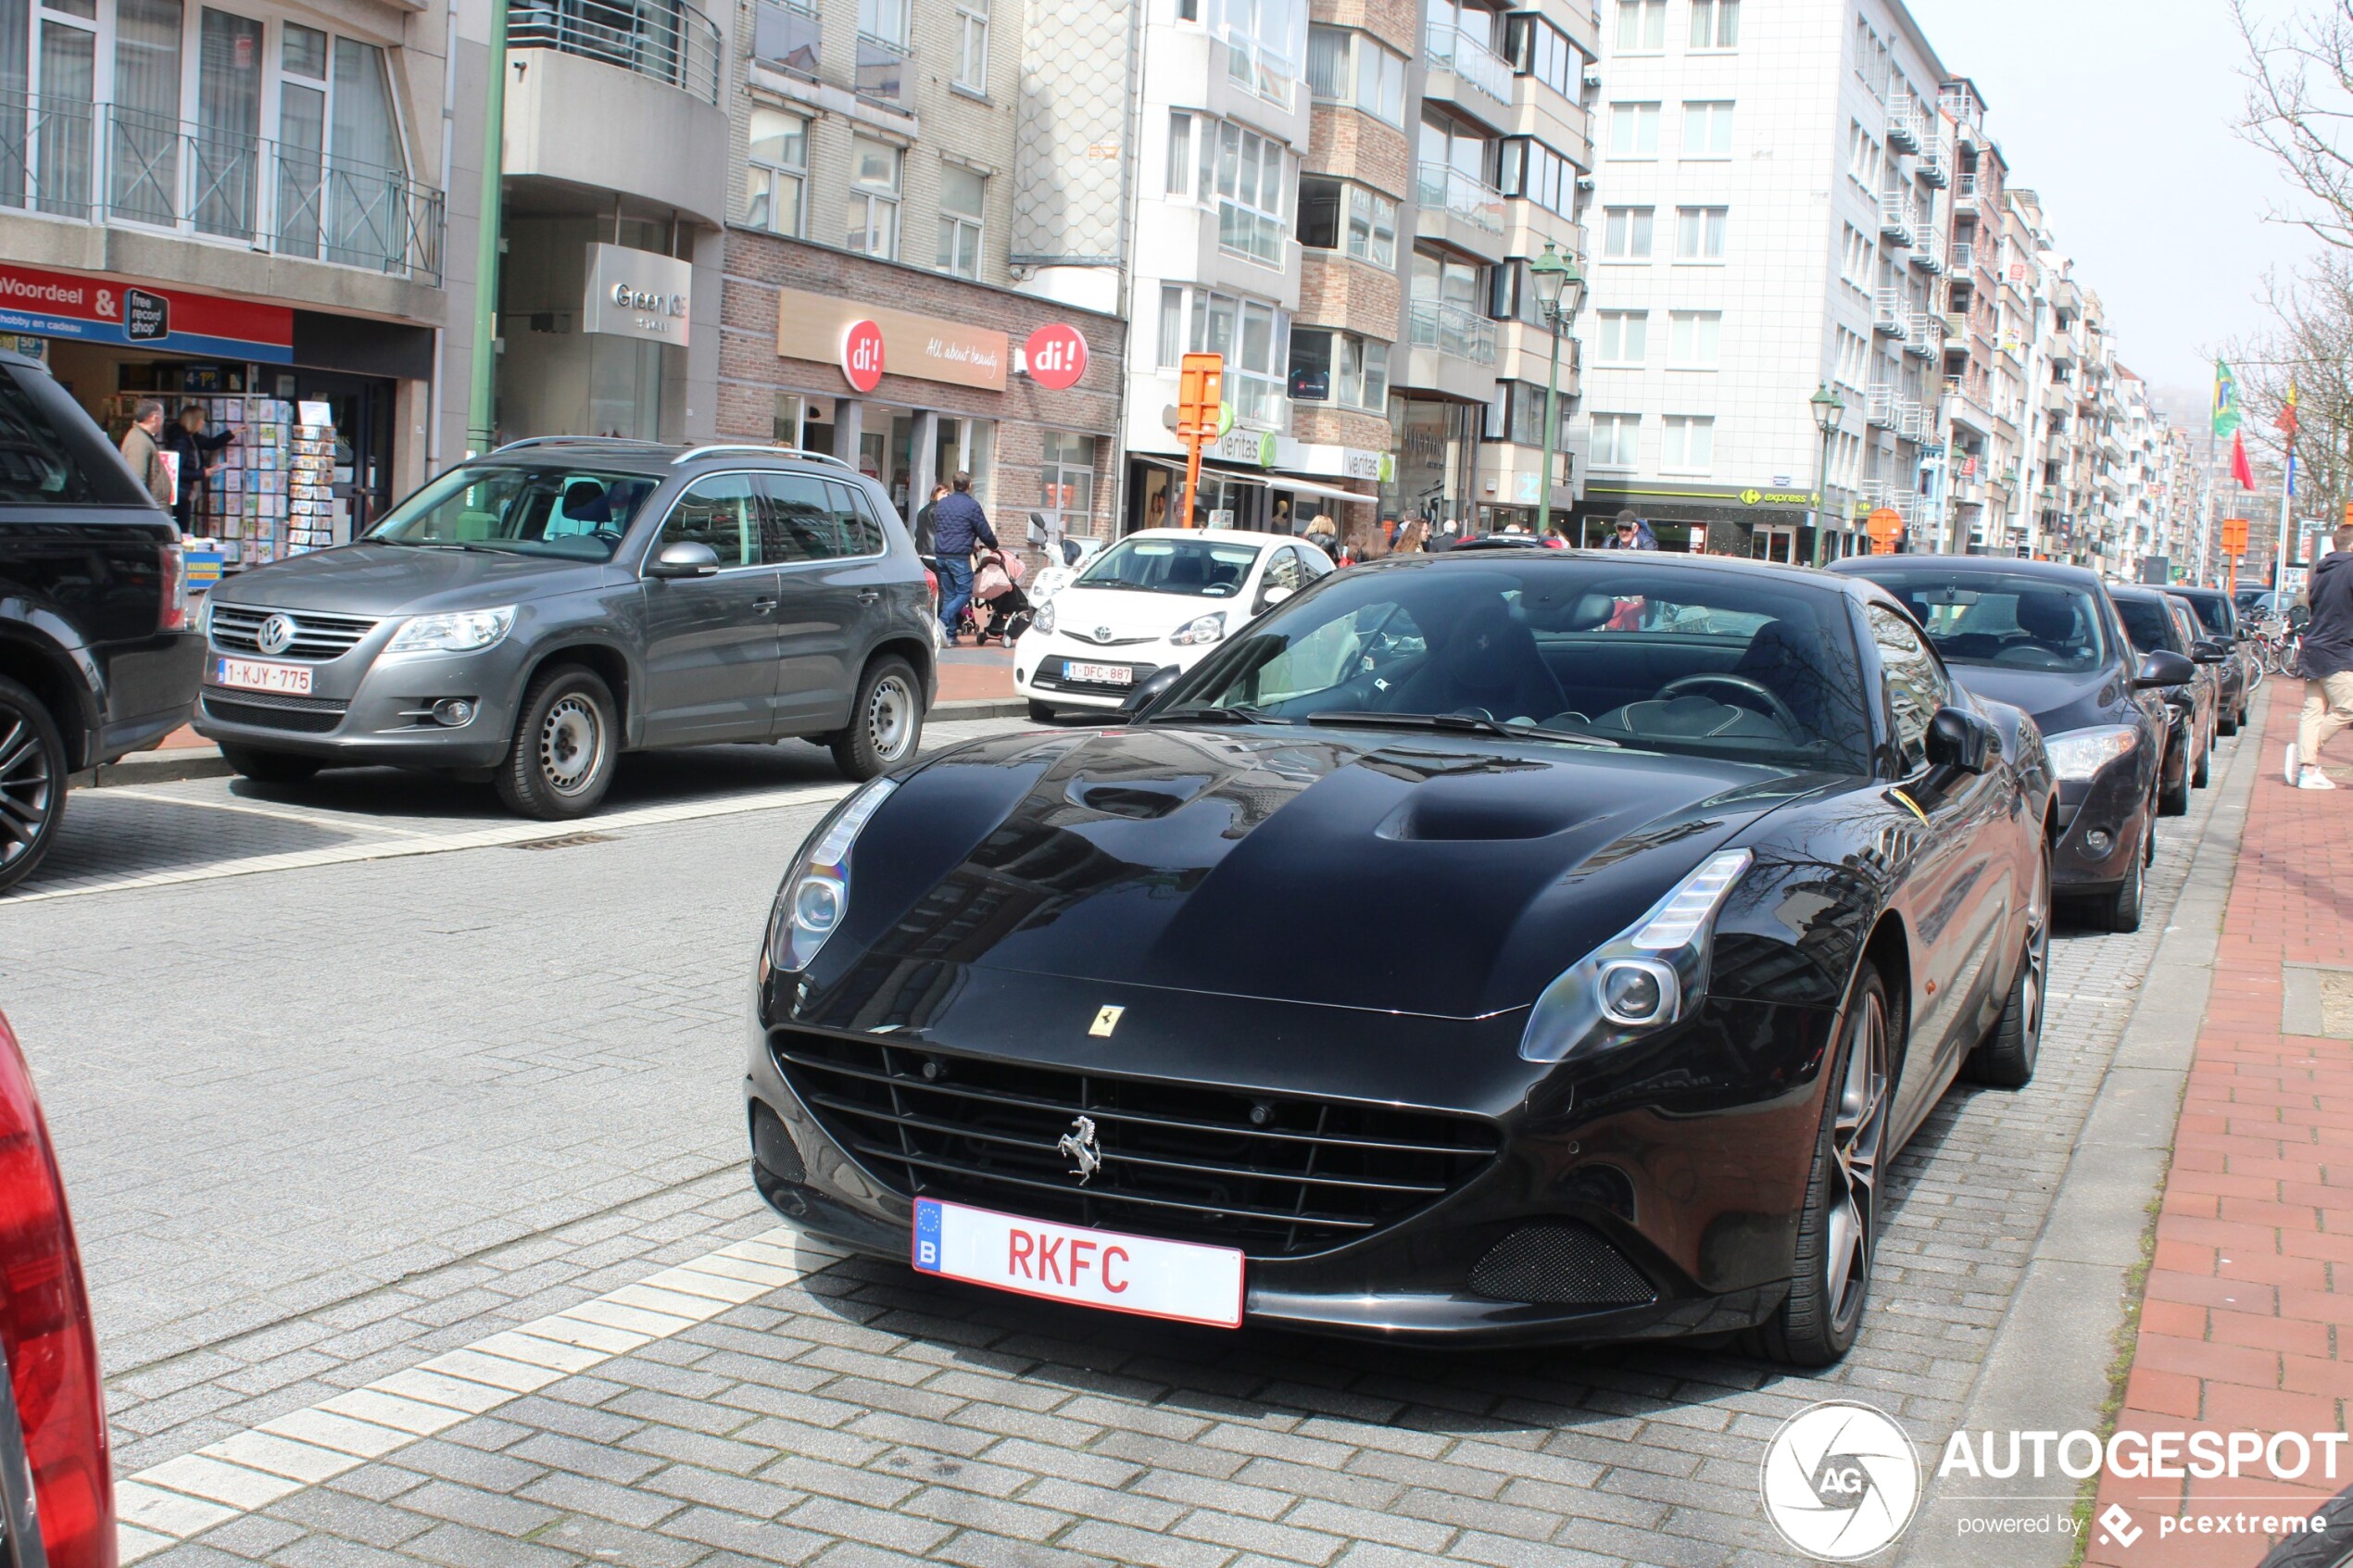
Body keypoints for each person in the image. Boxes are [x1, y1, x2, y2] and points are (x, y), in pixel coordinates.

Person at [2288, 521, 2353, 790]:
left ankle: (2307, 771)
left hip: (2314, 646)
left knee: (2313, 710)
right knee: (2348, 707)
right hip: (2338, 649)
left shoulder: (2322, 570)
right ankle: (2306, 754)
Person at [930, 470, 997, 645]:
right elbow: (983, 530)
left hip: (941, 555)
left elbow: (945, 528)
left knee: (950, 594)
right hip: (958, 556)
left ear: (953, 485)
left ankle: (950, 636)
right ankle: (943, 621)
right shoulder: (972, 506)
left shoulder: (942, 504)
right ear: (969, 486)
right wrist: (993, 546)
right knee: (965, 593)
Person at [164, 405, 235, 535]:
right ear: (193, 420)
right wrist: (202, 473)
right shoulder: (181, 440)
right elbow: (176, 471)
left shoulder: (192, 437)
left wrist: (232, 433)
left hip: (186, 493)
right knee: (181, 529)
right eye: (200, 420)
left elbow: (211, 444)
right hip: (180, 494)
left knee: (183, 528)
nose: (203, 423)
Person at [120, 399, 173, 513]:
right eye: (162, 418)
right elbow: (137, 480)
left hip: (154, 509)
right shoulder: (138, 441)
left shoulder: (142, 438)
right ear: (154, 418)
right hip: (150, 512)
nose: (163, 422)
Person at [912, 482, 947, 566]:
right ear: (935, 494)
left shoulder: (923, 511)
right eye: (944, 493)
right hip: (934, 554)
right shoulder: (938, 511)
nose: (946, 496)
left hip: (920, 552)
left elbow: (917, 532)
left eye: (948, 494)